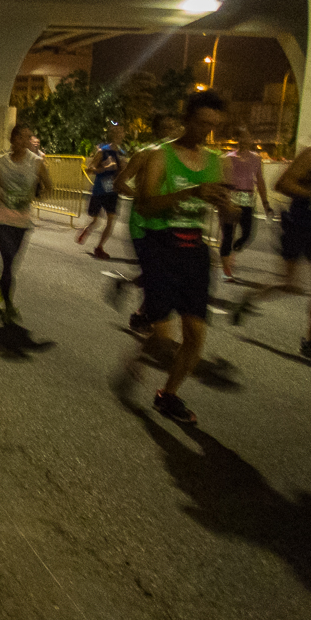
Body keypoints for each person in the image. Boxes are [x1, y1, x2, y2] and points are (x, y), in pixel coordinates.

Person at [124, 89, 230, 423]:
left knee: (196, 336)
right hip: (162, 248)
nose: (206, 131)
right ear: (187, 119)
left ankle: (168, 395)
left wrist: (228, 209)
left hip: (195, 252)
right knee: (161, 340)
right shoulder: (161, 157)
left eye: (213, 125)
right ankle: (141, 354)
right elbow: (145, 204)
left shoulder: (215, 162)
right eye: (201, 123)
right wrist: (192, 191)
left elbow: (230, 214)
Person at [232, 107, 311, 365]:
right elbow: (282, 184)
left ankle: (310, 342)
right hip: (300, 224)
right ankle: (249, 298)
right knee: (292, 284)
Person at [114, 112, 184, 335]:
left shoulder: (177, 157)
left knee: (166, 272)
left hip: (167, 221)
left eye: (177, 127)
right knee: (157, 274)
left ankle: (128, 287)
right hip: (142, 223)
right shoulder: (144, 155)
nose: (176, 131)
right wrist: (141, 196)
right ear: (161, 131)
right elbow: (119, 183)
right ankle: (141, 315)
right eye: (171, 127)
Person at [0, 124, 54, 324]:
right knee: (7, 259)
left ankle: (2, 284)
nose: (26, 142)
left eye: (29, 137)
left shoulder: (37, 162)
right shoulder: (0, 161)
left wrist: (38, 192)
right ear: (12, 139)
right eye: (21, 138)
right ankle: (8, 305)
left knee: (11, 264)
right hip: (2, 217)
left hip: (22, 218)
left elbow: (49, 185)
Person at [219, 126, 272, 282]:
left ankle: (232, 253)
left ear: (251, 139)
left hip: (248, 200)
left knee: (247, 233)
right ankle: (226, 270)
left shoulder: (256, 158)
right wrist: (222, 200)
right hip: (230, 199)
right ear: (237, 140)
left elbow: (260, 181)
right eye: (241, 137)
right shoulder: (228, 157)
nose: (244, 140)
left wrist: (266, 203)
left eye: (247, 137)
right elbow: (222, 180)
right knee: (227, 235)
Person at [78, 122, 127, 259]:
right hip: (100, 190)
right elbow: (89, 168)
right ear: (111, 134)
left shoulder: (122, 153)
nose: (119, 134)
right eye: (116, 132)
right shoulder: (103, 151)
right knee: (96, 221)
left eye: (121, 132)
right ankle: (86, 230)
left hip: (113, 191)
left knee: (111, 220)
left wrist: (123, 172)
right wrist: (101, 169)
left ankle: (99, 247)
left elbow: (123, 171)